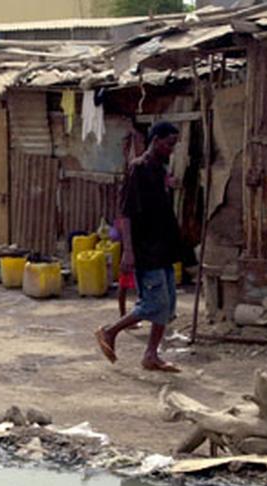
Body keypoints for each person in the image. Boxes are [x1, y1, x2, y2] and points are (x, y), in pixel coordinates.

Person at [95, 121, 185, 373]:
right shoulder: (138, 169)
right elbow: (126, 214)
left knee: (167, 307)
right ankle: (109, 331)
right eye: (168, 144)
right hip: (146, 249)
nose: (171, 149)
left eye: (174, 144)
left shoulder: (158, 169)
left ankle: (151, 356)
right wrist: (129, 251)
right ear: (155, 141)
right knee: (153, 303)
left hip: (162, 247)